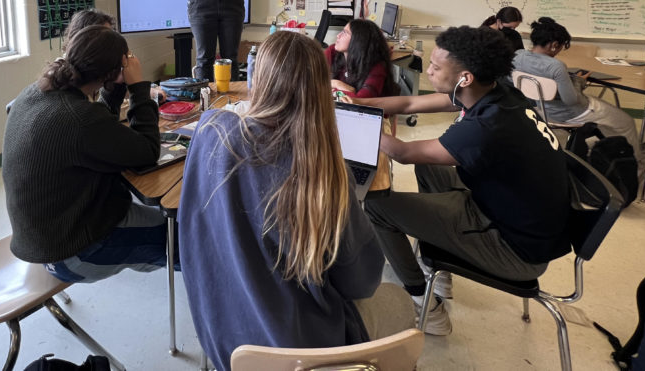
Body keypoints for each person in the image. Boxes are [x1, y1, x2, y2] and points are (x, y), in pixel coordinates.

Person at [179, 33, 415, 371]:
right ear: (321, 90)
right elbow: (360, 283)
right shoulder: (327, 174)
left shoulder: (210, 130)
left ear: (256, 80)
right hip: (304, 355)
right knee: (399, 303)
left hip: (223, 341)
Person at [358, 26, 570, 335]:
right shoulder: (497, 92)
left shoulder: (485, 127)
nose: (427, 70)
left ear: (465, 77)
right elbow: (408, 105)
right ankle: (438, 269)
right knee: (429, 168)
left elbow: (402, 152)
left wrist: (354, 120)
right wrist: (352, 104)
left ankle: (424, 304)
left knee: (377, 207)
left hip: (513, 249)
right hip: (514, 214)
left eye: (435, 66)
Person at [2, 25, 170, 282]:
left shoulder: (34, 92)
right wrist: (137, 87)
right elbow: (147, 151)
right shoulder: (79, 119)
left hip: (43, 241)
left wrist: (113, 87)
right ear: (113, 71)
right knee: (181, 235)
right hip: (74, 253)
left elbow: (97, 129)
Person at [512, 17, 643, 169]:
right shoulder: (556, 66)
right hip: (571, 112)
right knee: (626, 122)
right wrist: (578, 81)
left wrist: (566, 80)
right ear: (554, 45)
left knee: (610, 120)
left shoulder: (518, 56)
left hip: (542, 110)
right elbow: (571, 100)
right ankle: (636, 165)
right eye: (561, 47)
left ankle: (606, 150)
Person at [326, 18, 398, 99]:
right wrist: (337, 84)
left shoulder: (377, 68)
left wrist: (333, 88)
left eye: (345, 33)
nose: (338, 35)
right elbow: (313, 81)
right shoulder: (333, 51)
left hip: (367, 110)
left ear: (358, 40)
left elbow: (360, 102)